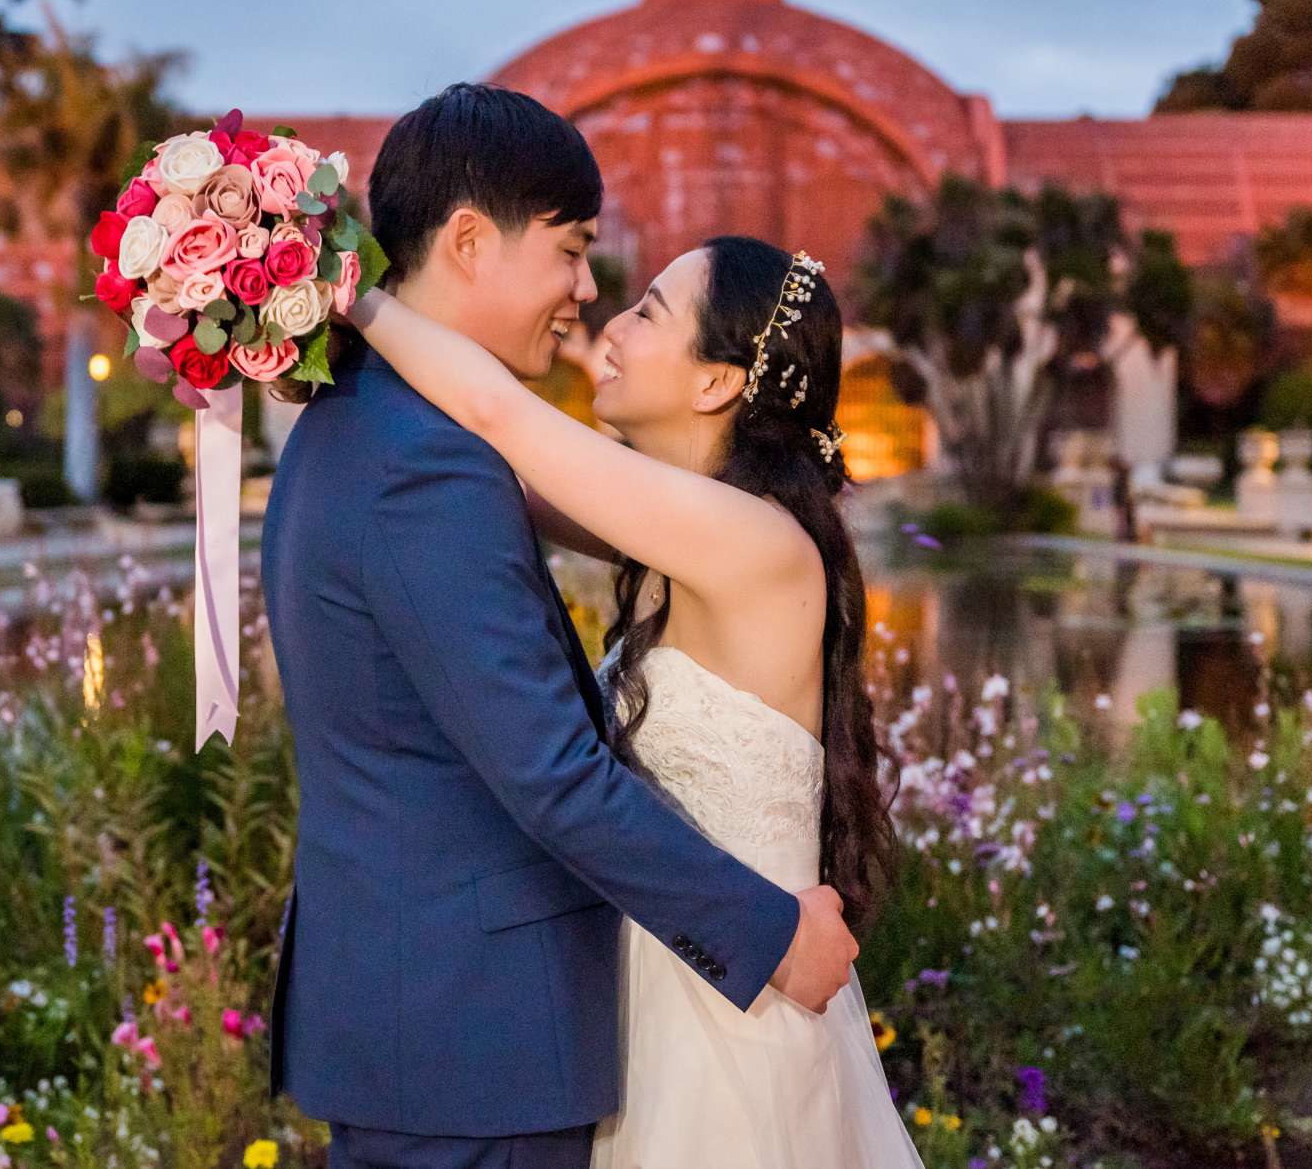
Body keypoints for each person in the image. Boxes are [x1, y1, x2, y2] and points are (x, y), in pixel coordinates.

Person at [262, 85, 865, 1169]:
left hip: (536, 1021)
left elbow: (516, 434)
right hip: (481, 1036)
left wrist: (337, 302)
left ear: (725, 377)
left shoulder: (384, 431)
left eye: (641, 308)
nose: (593, 300)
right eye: (577, 253)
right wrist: (334, 295)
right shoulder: (425, 461)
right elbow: (551, 773)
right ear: (468, 240)